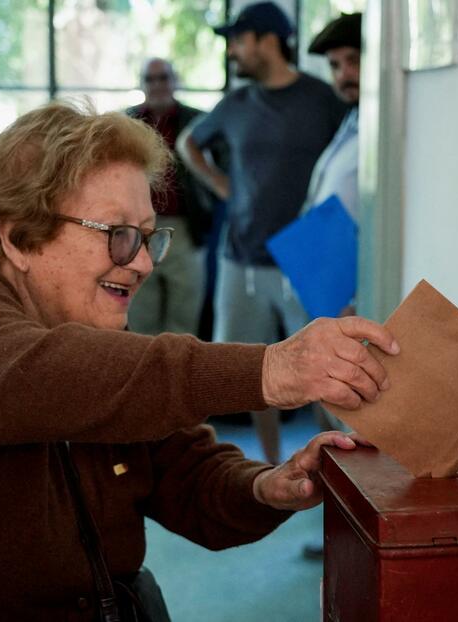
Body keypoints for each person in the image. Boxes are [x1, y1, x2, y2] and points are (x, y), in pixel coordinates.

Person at [0, 101, 400, 621]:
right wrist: (271, 368)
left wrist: (269, 486)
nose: (142, 262)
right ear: (18, 236)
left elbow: (184, 471)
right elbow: (48, 374)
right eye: (117, 234)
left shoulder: (92, 349)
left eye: (149, 235)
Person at [177, 1, 348, 464]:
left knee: (329, 380)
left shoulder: (322, 99)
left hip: (306, 262)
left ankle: (334, 474)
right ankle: (269, 467)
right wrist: (218, 184)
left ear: (268, 40)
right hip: (240, 260)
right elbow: (187, 142)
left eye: (239, 40)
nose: (233, 51)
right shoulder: (235, 104)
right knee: (248, 375)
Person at [299, 12, 364, 560]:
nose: (345, 74)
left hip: (354, 290)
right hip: (323, 281)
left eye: (352, 61)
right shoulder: (351, 122)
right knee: (332, 415)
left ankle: (354, 533)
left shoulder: (381, 127)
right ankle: (339, 526)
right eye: (338, 65)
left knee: (355, 418)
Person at [125, 58, 210, 336]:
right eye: (151, 79)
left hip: (185, 228)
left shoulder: (198, 121)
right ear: (142, 84)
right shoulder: (126, 123)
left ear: (174, 80)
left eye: (163, 78)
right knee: (139, 313)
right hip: (137, 230)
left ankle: (180, 377)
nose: (158, 85)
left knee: (184, 316)